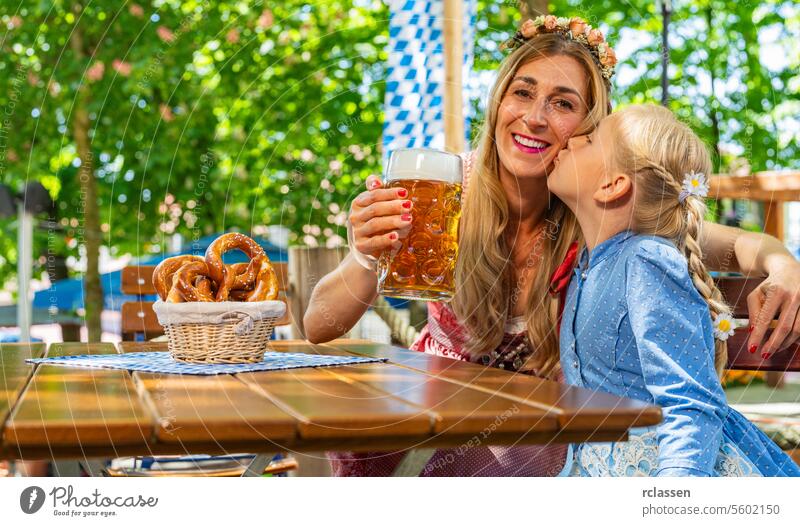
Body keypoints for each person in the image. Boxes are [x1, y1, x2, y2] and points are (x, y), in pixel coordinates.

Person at [304, 15, 800, 476]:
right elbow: (318, 326)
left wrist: (782, 265)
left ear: (589, 126)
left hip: (546, 429)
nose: (535, 118)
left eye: (563, 103)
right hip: (443, 403)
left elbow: (734, 243)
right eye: (523, 92)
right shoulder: (445, 190)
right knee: (358, 426)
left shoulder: (604, 217)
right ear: (499, 101)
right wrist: (366, 255)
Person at [547, 104, 800, 476]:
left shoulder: (646, 260)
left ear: (612, 185)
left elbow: (690, 403)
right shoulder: (590, 262)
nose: (573, 139)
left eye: (590, 139)